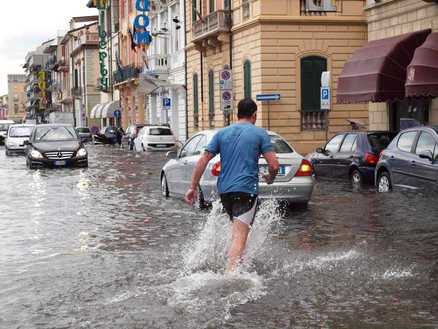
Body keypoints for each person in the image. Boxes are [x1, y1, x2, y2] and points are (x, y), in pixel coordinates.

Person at [185, 98, 279, 272]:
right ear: (254, 115)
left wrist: (192, 187)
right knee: (240, 236)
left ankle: (237, 263)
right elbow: (274, 165)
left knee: (236, 231)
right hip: (246, 190)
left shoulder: (222, 134)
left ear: (237, 114)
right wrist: (270, 178)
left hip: (225, 192)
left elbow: (203, 160)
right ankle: (231, 276)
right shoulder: (259, 134)